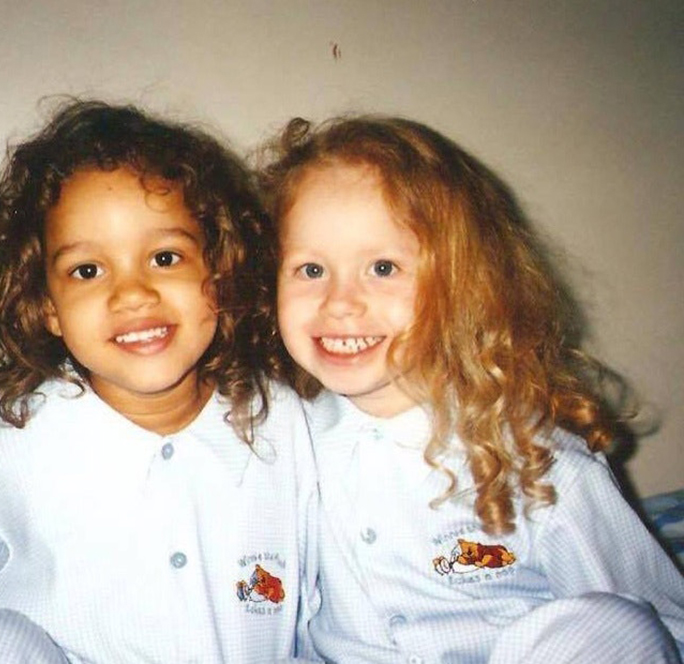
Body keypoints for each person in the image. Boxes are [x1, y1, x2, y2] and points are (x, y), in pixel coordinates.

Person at [260, 115, 684, 663]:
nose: (339, 302)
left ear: (462, 284)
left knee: (608, 624)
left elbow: (663, 627)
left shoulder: (538, 459)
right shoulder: (280, 441)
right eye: (310, 270)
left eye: (383, 267)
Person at [0, 100, 319, 663]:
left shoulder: (285, 423)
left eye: (165, 257)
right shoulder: (3, 453)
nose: (132, 294)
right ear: (46, 306)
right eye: (87, 270)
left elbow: (317, 603)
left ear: (220, 272)